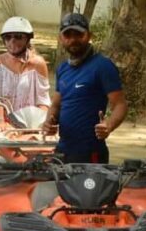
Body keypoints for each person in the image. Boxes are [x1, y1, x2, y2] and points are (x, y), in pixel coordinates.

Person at [43, 13, 128, 163]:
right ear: (60, 39)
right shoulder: (62, 69)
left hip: (91, 154)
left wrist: (109, 125)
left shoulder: (103, 66)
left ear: (89, 35)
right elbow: (56, 105)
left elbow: (120, 105)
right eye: (67, 35)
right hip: (62, 151)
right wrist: (49, 121)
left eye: (79, 34)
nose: (73, 39)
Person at [0, 16, 51, 112]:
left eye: (18, 36)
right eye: (8, 37)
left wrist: (39, 122)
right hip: (3, 120)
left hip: (30, 120)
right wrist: (1, 122)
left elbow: (43, 101)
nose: (12, 41)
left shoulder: (38, 64)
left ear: (27, 40)